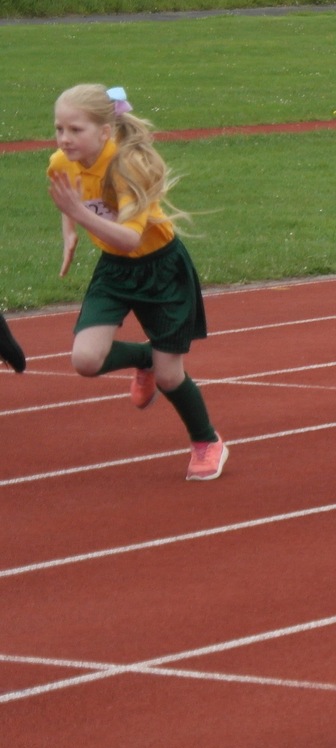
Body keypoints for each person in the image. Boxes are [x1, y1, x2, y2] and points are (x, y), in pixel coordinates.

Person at [46, 84, 226, 480]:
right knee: (85, 360)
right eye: (59, 128)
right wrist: (70, 232)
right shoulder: (62, 160)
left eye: (75, 129)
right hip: (115, 269)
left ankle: (207, 441)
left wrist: (79, 214)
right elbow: (68, 194)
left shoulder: (127, 168)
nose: (64, 138)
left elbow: (129, 237)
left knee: (170, 376)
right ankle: (144, 358)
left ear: (104, 132)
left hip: (161, 270)